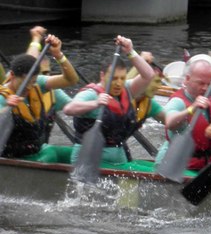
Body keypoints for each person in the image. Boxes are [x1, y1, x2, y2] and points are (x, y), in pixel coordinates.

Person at [63, 38, 165, 167]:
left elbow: (148, 75)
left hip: (117, 156)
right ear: (102, 76)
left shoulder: (127, 89)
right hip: (90, 159)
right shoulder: (91, 94)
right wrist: (95, 103)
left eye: (122, 78)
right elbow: (68, 109)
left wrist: (130, 51)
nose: (118, 83)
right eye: (115, 78)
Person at [0, 31, 78, 162]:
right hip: (14, 159)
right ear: (12, 76)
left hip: (38, 151)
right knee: (50, 156)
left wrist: (59, 55)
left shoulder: (38, 83)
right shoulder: (3, 97)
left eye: (33, 82)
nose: (29, 87)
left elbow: (71, 80)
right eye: (25, 82)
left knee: (78, 153)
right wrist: (6, 108)